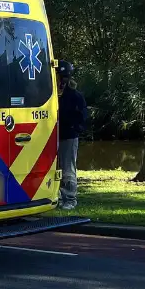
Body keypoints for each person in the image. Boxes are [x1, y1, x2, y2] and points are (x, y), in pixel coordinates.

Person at [56, 64, 88, 210]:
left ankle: (70, 199)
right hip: (51, 136)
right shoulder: (51, 95)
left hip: (68, 136)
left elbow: (82, 117)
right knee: (55, 168)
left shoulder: (74, 96)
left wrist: (75, 128)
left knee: (68, 168)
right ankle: (57, 197)